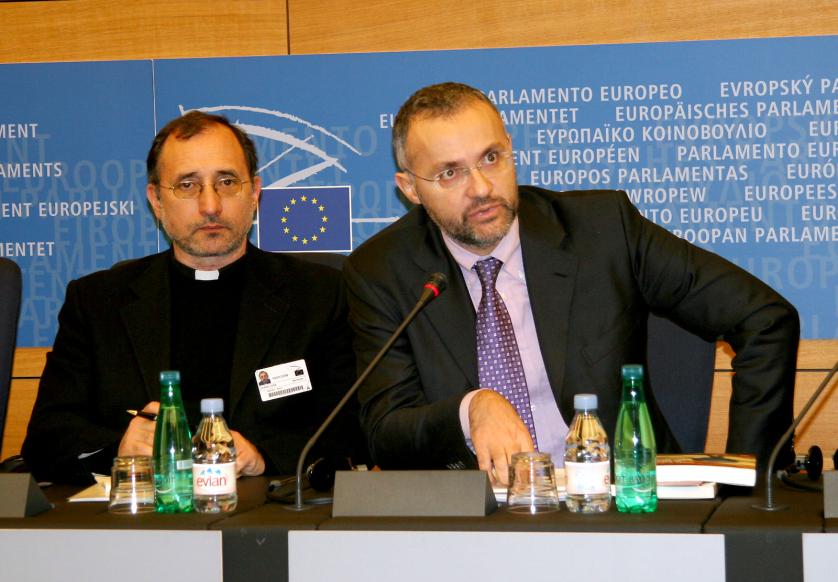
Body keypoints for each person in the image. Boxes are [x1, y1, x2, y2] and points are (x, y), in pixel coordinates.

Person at [343, 82, 799, 484]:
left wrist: (750, 481)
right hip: (475, 517)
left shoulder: (603, 230)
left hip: (621, 505)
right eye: (450, 172)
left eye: (491, 158)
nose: (481, 188)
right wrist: (471, 409)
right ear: (410, 188)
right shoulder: (383, 272)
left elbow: (764, 318)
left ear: (510, 149)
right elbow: (384, 431)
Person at [23, 111, 359, 484]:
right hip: (143, 512)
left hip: (268, 508)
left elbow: (352, 430)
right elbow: (46, 437)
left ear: (254, 193)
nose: (210, 205)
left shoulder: (320, 295)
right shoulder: (97, 302)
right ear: (156, 199)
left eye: (227, 182)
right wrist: (120, 447)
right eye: (187, 185)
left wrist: (262, 457)